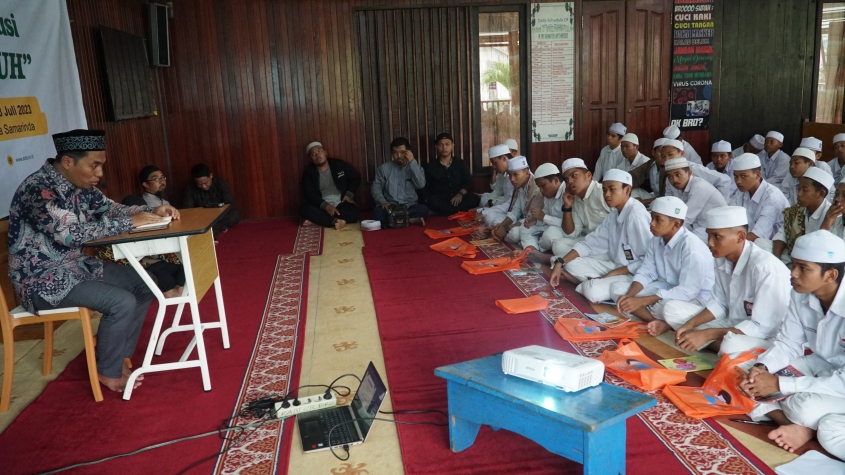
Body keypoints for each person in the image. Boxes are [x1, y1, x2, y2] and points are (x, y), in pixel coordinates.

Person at [7, 129, 181, 393]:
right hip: (40, 280)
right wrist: (129, 222)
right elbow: (68, 234)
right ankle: (108, 371)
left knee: (146, 283)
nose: (99, 173)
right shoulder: (38, 190)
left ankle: (115, 355)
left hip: (76, 267)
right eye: (94, 165)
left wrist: (151, 210)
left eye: (101, 165)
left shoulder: (83, 187)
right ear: (68, 162)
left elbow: (112, 209)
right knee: (121, 301)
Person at [739, 230, 845, 460]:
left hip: (842, 382)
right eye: (793, 264)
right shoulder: (801, 293)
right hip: (820, 363)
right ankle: (798, 426)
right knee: (745, 377)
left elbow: (842, 382)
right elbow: (788, 343)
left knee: (802, 408)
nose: (793, 273)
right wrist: (762, 368)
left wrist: (780, 383)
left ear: (831, 275)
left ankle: (805, 427)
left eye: (803, 268)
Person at [675, 206, 791, 355]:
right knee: (672, 311)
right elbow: (719, 303)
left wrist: (708, 334)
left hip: (767, 335)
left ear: (741, 237)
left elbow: (763, 327)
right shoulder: (721, 257)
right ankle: (708, 341)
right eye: (708, 236)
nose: (710, 243)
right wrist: (690, 324)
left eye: (717, 237)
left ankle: (711, 342)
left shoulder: (764, 267)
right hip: (732, 323)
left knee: (729, 345)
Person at [611, 197, 715, 336]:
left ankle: (663, 321)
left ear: (675, 224)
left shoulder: (692, 249)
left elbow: (687, 291)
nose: (651, 223)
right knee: (618, 290)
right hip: (666, 287)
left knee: (667, 309)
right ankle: (656, 321)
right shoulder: (656, 239)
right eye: (652, 217)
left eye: (658, 219)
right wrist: (630, 296)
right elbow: (647, 272)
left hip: (695, 298)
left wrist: (643, 301)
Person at [549, 170, 652, 304]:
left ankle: (587, 283)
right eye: (604, 190)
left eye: (612, 189)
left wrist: (612, 274)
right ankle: (593, 282)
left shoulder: (636, 215)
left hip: (635, 274)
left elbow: (648, 260)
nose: (607, 194)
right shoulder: (614, 214)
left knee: (592, 291)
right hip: (616, 266)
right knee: (569, 262)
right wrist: (560, 262)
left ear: (627, 190)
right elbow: (590, 244)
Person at [772, 168, 835, 265]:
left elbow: (824, 250)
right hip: (793, 254)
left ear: (820, 193)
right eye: (799, 189)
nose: (799, 194)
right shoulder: (796, 210)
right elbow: (782, 235)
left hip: (815, 261)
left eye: (804, 190)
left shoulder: (831, 215)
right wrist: (776, 261)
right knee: (761, 243)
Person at [550, 158, 611, 258]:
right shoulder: (576, 199)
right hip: (590, 241)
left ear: (588, 175)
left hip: (609, 243)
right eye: (566, 180)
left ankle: (560, 260)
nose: (570, 181)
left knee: (575, 258)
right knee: (558, 245)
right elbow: (570, 234)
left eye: (574, 175)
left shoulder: (601, 193)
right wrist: (567, 206)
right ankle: (568, 260)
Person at [729, 153, 790, 250]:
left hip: (771, 247)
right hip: (746, 241)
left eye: (743, 176)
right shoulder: (741, 192)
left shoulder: (772, 197)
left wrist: (729, 243)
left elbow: (757, 235)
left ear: (757, 175)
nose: (738, 181)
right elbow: (731, 220)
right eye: (735, 176)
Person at [300, 142, 361, 230]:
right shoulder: (309, 173)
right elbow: (309, 194)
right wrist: (326, 206)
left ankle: (319, 219)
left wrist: (349, 194)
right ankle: (334, 221)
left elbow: (355, 177)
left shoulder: (339, 165)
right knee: (304, 209)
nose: (318, 155)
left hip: (341, 202)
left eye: (319, 151)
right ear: (310, 159)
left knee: (354, 213)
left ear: (325, 152)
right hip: (321, 205)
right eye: (313, 154)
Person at [664, 157, 727, 242]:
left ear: (689, 173)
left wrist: (666, 231)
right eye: (670, 177)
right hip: (698, 226)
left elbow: (686, 217)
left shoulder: (699, 186)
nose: (674, 180)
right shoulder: (679, 187)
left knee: (684, 241)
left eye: (678, 174)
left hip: (715, 229)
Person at [371, 137, 428, 227]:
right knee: (377, 213)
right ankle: (409, 220)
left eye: (402, 152)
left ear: (408, 153)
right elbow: (376, 187)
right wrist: (383, 202)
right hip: (390, 206)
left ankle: (393, 221)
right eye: (395, 152)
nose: (399, 156)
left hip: (409, 206)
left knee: (423, 210)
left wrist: (412, 162)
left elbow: (420, 185)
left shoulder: (416, 168)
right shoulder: (384, 168)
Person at [488, 156, 544, 244]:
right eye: (510, 175)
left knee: (514, 234)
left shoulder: (536, 189)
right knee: (496, 222)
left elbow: (530, 219)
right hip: (521, 220)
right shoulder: (519, 186)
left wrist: (506, 228)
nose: (512, 179)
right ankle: (499, 233)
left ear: (526, 173)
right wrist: (500, 226)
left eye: (515, 175)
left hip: (534, 223)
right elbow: (515, 212)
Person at [654, 139, 732, 201]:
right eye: (663, 156)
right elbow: (669, 198)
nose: (666, 159)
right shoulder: (669, 173)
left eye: (670, 155)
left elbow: (725, 180)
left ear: (682, 153)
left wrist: (720, 204)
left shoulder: (694, 168)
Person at [518, 163, 565, 262]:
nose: (541, 190)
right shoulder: (548, 195)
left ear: (556, 181)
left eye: (543, 185)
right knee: (525, 227)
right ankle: (531, 250)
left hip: (563, 231)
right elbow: (545, 214)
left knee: (549, 235)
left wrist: (543, 217)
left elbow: (569, 225)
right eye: (539, 187)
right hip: (549, 227)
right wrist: (535, 221)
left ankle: (540, 252)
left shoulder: (566, 193)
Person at [424, 132, 480, 215]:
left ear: (452, 146)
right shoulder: (430, 166)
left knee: (475, 199)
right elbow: (427, 187)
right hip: (442, 199)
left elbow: (468, 182)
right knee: (432, 202)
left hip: (459, 197)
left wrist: (460, 194)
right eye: (441, 144)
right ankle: (458, 210)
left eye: (447, 144)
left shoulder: (460, 163)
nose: (444, 147)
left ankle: (448, 211)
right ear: (436, 147)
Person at [183, 163, 240, 236]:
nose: (203, 186)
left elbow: (229, 203)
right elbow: (188, 210)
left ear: (211, 176)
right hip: (202, 218)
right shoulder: (190, 189)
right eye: (199, 184)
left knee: (235, 214)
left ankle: (213, 228)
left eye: (206, 183)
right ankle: (217, 228)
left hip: (220, 216)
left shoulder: (220, 183)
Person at [616, 133, 653, 200]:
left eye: (627, 146)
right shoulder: (624, 161)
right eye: (622, 146)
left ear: (636, 147)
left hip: (647, 194)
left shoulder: (645, 161)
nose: (624, 150)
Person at [479, 144, 514, 211]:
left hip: (511, 204)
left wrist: (492, 203)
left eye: (495, 163)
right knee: (485, 198)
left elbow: (510, 199)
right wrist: (490, 201)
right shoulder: (502, 173)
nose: (494, 167)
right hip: (504, 201)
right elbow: (498, 190)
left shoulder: (516, 173)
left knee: (488, 215)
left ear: (504, 159)